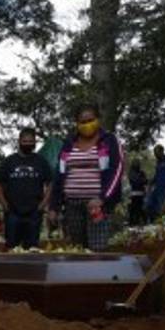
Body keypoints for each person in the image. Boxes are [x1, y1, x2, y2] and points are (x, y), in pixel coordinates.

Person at [48, 105, 126, 252]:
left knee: (98, 250)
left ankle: (99, 276)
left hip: (97, 206)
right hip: (71, 205)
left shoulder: (109, 140)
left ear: (98, 120)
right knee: (76, 250)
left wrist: (103, 198)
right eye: (82, 122)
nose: (87, 125)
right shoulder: (68, 144)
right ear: (76, 123)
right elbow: (59, 174)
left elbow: (117, 170)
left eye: (91, 120)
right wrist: (53, 207)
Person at [0, 127, 53, 250]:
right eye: (25, 141)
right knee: (11, 247)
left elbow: (50, 183)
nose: (28, 144)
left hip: (34, 212)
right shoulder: (9, 161)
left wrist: (43, 204)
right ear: (19, 141)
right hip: (13, 211)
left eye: (31, 142)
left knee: (32, 248)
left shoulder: (41, 161)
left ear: (35, 143)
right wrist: (3, 203)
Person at [145, 144, 165, 221]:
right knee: (150, 205)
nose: (155, 155)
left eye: (156, 152)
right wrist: (151, 181)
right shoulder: (158, 163)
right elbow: (157, 175)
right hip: (158, 189)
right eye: (154, 153)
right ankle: (154, 222)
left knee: (164, 208)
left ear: (162, 151)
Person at [127, 161, 149, 226]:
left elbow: (145, 181)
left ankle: (143, 222)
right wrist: (141, 180)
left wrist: (141, 180)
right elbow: (135, 181)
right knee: (134, 209)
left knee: (140, 209)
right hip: (134, 194)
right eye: (135, 164)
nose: (137, 165)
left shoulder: (141, 173)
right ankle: (132, 223)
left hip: (140, 194)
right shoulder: (131, 173)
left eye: (137, 164)